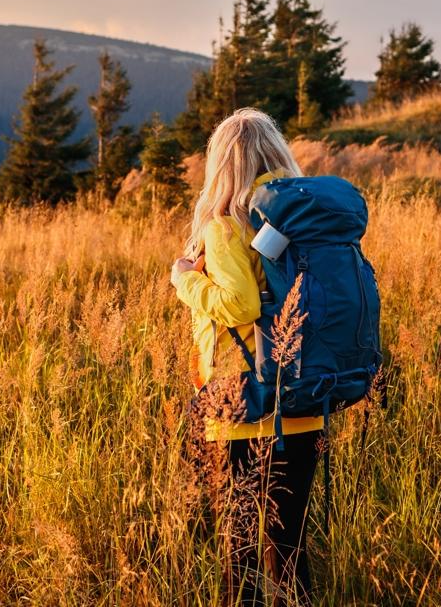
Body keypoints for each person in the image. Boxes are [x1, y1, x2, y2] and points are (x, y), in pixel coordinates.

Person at [169, 108, 322, 606]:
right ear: (277, 154)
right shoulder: (307, 225)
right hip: (303, 402)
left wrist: (186, 279)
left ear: (221, 165)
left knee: (242, 558)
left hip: (243, 409)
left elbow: (240, 305)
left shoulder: (225, 228)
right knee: (291, 553)